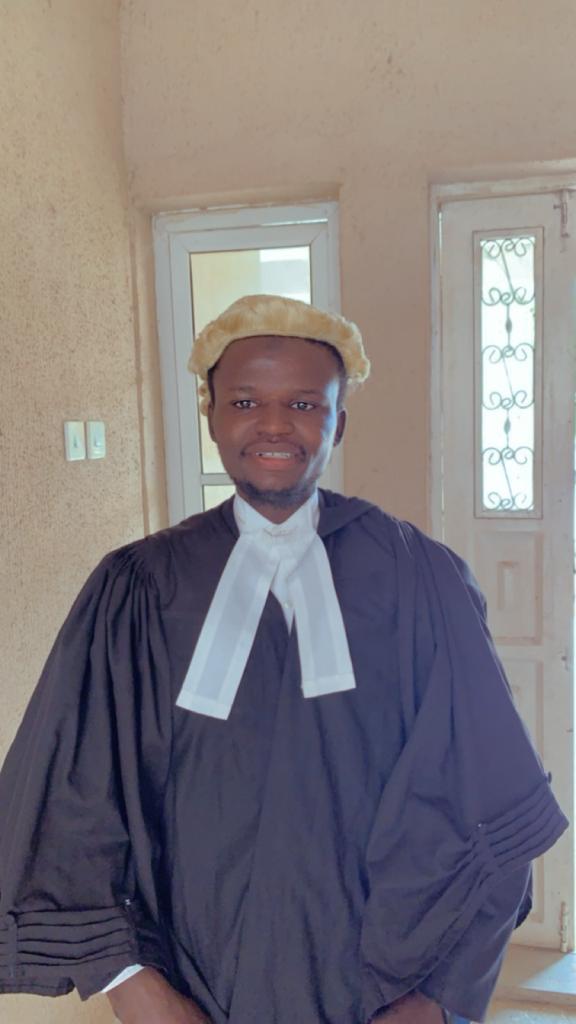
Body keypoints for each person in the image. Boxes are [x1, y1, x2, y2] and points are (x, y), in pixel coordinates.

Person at [0, 294, 567, 1024]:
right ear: (210, 415)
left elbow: (496, 798)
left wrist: (435, 998)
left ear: (339, 422)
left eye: (304, 403)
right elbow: (72, 799)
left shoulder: (421, 577)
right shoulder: (137, 589)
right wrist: (134, 984)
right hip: (192, 975)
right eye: (245, 401)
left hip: (381, 980)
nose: (273, 425)